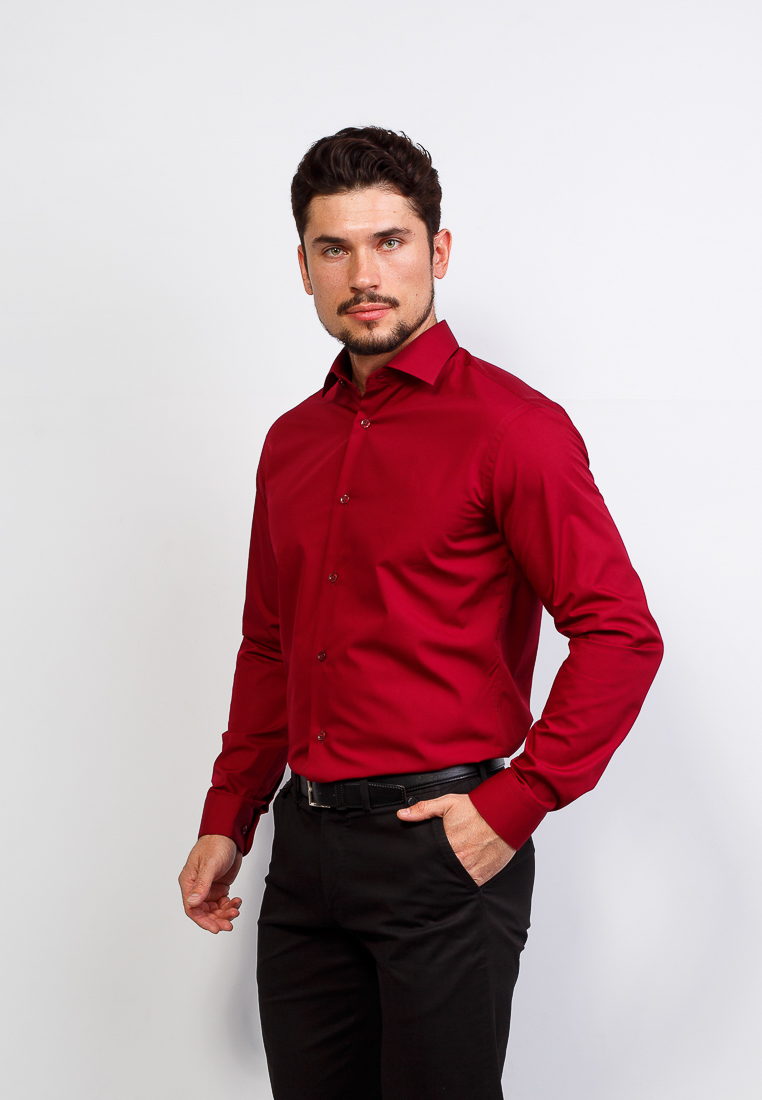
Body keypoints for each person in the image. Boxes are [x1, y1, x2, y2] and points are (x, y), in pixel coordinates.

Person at [178, 126, 663, 1099]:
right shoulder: (290, 443)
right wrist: (229, 814)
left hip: (442, 847)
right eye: (335, 248)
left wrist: (516, 803)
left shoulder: (514, 430)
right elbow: (270, 645)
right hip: (304, 852)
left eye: (390, 241)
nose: (364, 274)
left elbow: (620, 632)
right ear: (304, 268)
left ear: (437, 252)